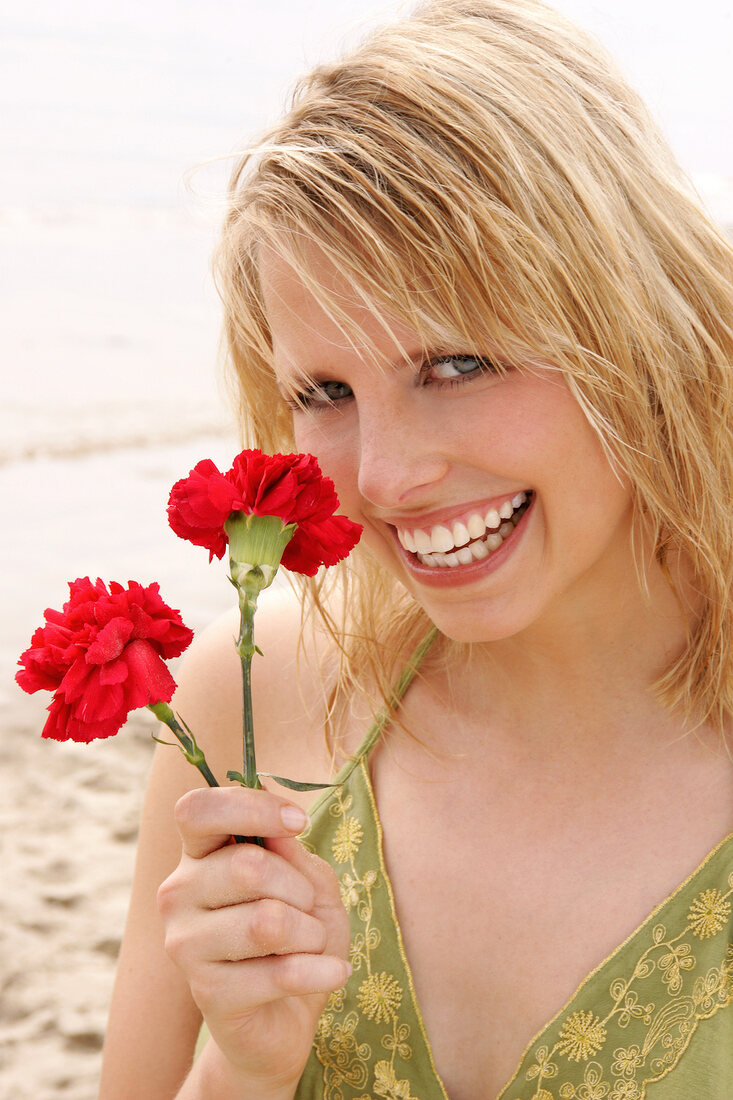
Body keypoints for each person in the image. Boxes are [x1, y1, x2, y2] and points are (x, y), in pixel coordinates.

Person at [99, 0, 733, 1096]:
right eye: (325, 391)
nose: (385, 476)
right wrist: (243, 1067)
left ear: (636, 324)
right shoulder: (253, 706)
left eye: (455, 365)